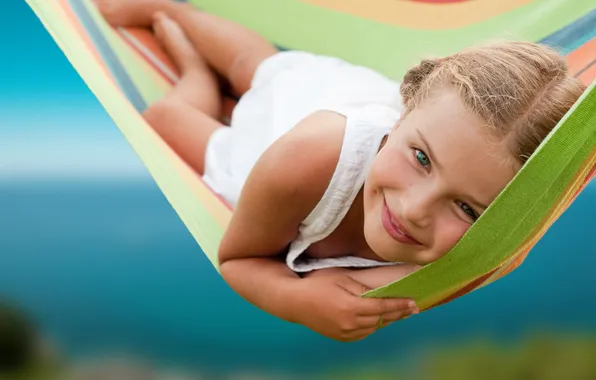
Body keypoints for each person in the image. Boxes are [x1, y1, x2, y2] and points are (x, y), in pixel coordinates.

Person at [97, 0, 586, 342]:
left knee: (263, 68)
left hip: (360, 123)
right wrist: (297, 301)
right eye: (420, 159)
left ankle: (219, 84)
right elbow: (238, 261)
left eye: (466, 208)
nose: (414, 210)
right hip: (277, 141)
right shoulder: (308, 157)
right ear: (404, 109)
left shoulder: (485, 251)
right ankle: (181, 30)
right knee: (257, 69)